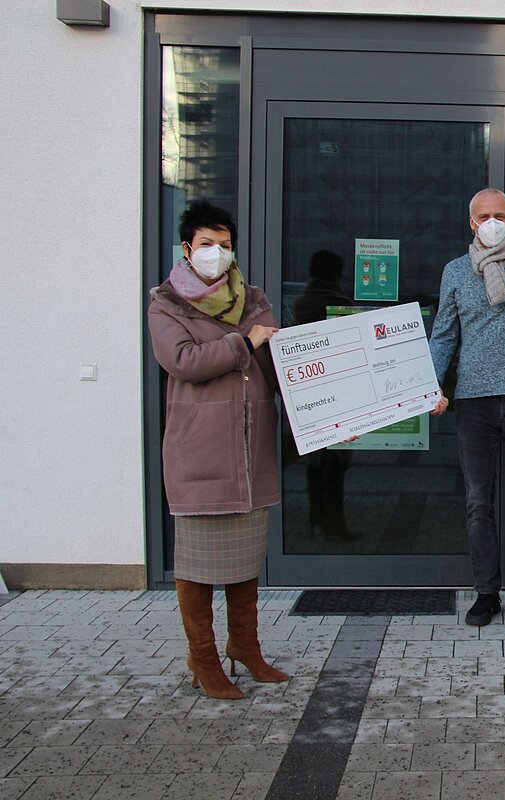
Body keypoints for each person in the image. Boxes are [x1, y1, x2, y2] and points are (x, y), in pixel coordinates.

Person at [148, 200, 289, 700]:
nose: (217, 252)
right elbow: (182, 360)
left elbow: (281, 368)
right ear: (187, 249)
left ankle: (245, 648)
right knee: (198, 569)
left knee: (245, 563)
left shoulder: (252, 299)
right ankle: (203, 660)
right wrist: (243, 343)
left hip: (250, 455)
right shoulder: (166, 304)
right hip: (200, 454)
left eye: (225, 245)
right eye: (207, 244)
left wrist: (324, 416)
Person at [429, 188, 505, 626]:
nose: (492, 222)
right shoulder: (454, 272)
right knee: (478, 502)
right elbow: (444, 335)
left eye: (499, 215)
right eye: (484, 216)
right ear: (472, 223)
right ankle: (487, 593)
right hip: (473, 403)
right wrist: (428, 386)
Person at [292, 250, 358, 540]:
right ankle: (334, 523)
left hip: (308, 394)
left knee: (315, 464)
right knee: (335, 466)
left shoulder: (301, 302)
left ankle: (315, 519)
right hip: (335, 393)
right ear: (335, 273)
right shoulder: (337, 301)